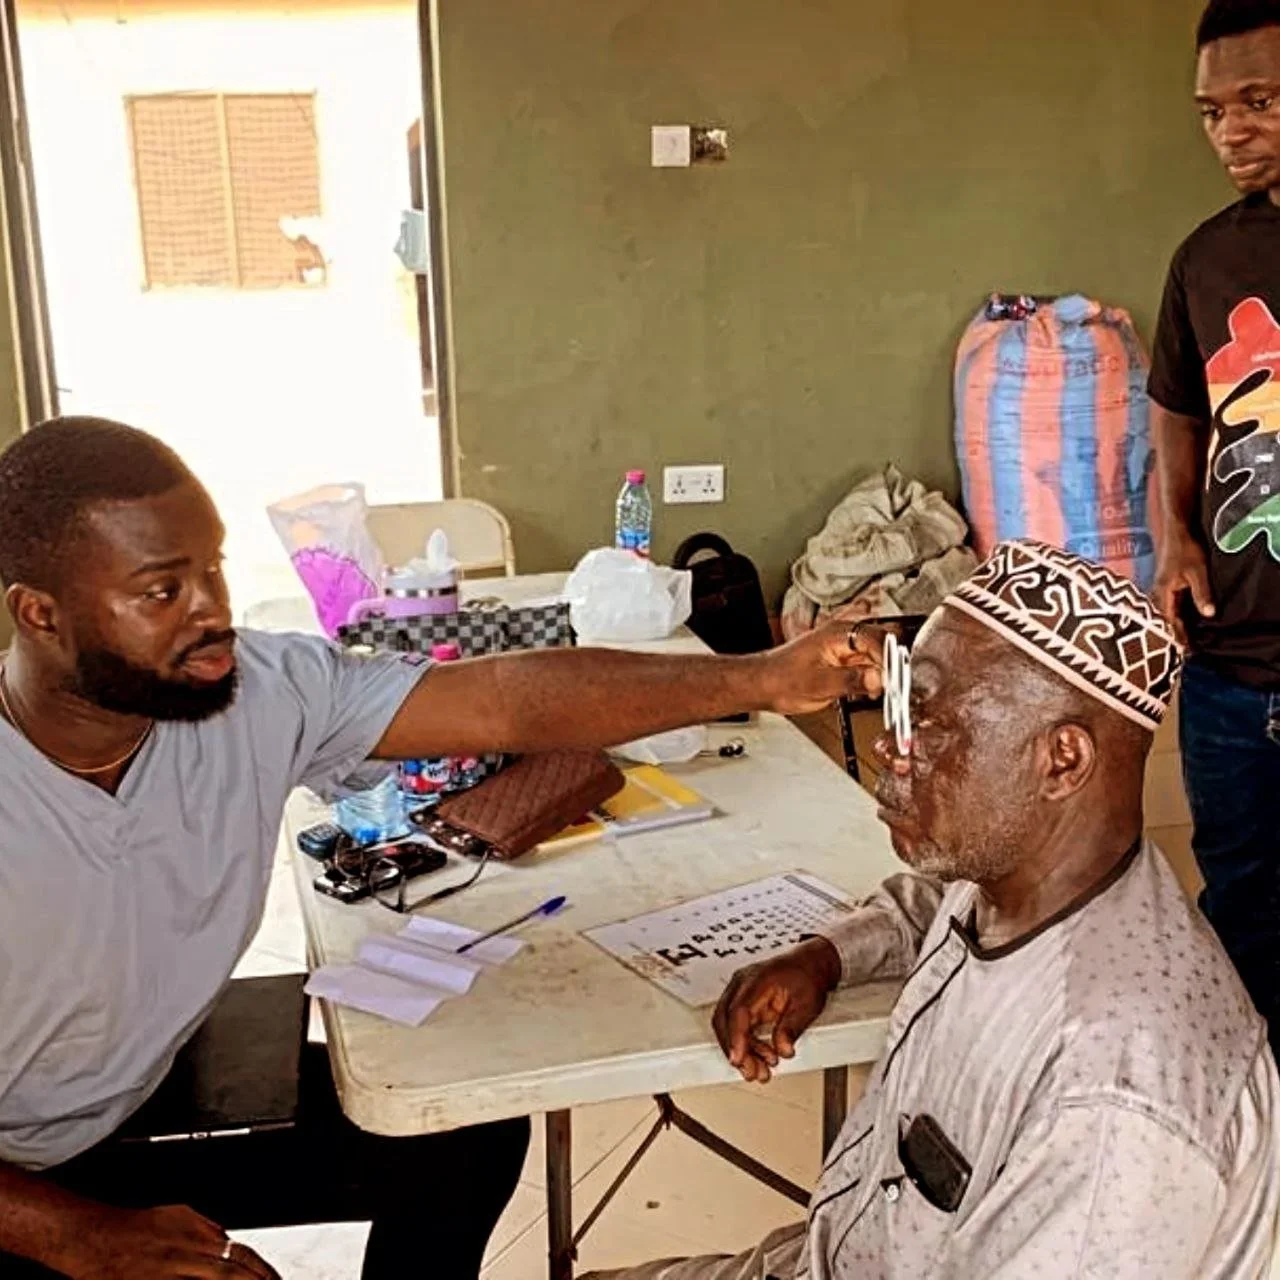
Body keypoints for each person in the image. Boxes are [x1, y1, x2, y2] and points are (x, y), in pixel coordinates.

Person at [0, 417, 872, 1280]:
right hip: (17, 1182)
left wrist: (761, 677)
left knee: (466, 1134)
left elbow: (500, 701)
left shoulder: (256, 693)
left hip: (132, 1095)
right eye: (162, 592)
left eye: (214, 569)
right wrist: (79, 1238)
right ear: (39, 614)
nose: (214, 613)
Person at [586, 541, 1280, 1280]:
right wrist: (823, 957)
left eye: (931, 721)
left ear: (1063, 761)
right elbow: (932, 907)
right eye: (897, 709)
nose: (890, 747)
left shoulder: (1114, 1096)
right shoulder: (1026, 876)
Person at [1150, 0, 1280, 1048]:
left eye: (1258, 101)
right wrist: (1175, 534)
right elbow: (1175, 402)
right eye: (1210, 111)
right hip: (1230, 662)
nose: (1229, 131)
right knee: (1238, 904)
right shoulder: (1204, 259)